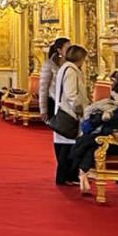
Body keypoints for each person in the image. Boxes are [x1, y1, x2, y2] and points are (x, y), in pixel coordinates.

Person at [50, 44, 88, 186]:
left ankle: (64, 176)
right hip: (70, 113)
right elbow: (72, 94)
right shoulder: (71, 70)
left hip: (63, 110)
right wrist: (80, 110)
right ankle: (67, 176)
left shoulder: (64, 68)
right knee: (69, 147)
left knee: (63, 145)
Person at [38, 37, 71, 184]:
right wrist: (43, 109)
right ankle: (63, 172)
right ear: (59, 50)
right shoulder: (48, 65)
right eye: (67, 47)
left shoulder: (70, 65)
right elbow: (43, 89)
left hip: (67, 105)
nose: (69, 50)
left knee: (68, 138)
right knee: (60, 138)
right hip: (54, 104)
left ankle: (67, 172)